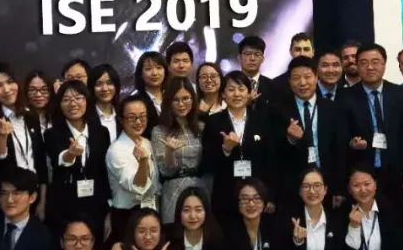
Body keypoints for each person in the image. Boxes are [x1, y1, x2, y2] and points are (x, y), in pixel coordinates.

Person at [342, 43, 403, 201]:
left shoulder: (401, 94)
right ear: (357, 66)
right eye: (364, 63)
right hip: (362, 173)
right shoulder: (345, 97)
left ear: (384, 64)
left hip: (397, 172)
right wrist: (352, 144)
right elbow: (340, 136)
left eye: (375, 62)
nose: (370, 67)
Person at [42, 80, 111, 242]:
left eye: (78, 98)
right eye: (66, 99)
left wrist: (108, 209)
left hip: (95, 204)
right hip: (64, 205)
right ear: (59, 104)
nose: (73, 104)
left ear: (87, 101)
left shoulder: (101, 133)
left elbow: (103, 173)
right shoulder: (51, 134)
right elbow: (59, 159)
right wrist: (70, 155)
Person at [200, 71, 275, 214]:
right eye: (231, 89)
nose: (237, 94)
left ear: (249, 93)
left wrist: (270, 196)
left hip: (257, 194)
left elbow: (270, 161)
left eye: (241, 89)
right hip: (225, 195)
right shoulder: (213, 122)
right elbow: (207, 164)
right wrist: (225, 150)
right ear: (223, 94)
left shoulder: (262, 120)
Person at [279, 56, 349, 207]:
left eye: (307, 76)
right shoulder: (278, 110)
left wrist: (339, 188)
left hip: (327, 182)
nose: (302, 82)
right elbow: (273, 154)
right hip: (293, 185)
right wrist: (290, 140)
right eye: (296, 78)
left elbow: (340, 151)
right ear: (289, 81)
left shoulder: (333, 109)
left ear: (316, 77)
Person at [105, 96, 160, 240]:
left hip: (150, 210)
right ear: (121, 120)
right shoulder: (116, 150)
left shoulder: (146, 142)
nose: (138, 122)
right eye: (131, 117)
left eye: (142, 116)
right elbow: (138, 186)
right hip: (127, 215)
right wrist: (143, 161)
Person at [152, 77, 205, 224]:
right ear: (168, 102)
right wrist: (170, 152)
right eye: (175, 100)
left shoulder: (201, 127)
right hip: (174, 190)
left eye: (186, 98)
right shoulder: (159, 131)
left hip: (200, 188)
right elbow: (165, 171)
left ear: (193, 99)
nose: (181, 104)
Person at [0, 64, 48, 180]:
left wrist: (43, 188)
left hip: (35, 186)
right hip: (10, 188)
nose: (6, 89)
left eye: (10, 82)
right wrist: (1, 138)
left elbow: (40, 157)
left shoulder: (31, 115)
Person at [237, 34, 286, 112]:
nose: (252, 58)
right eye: (247, 54)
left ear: (262, 59)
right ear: (239, 57)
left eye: (257, 54)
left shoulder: (273, 86)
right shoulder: (229, 84)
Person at [270, 32, 315, 97]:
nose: (302, 54)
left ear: (313, 52)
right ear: (290, 52)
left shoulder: (322, 82)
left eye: (306, 49)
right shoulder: (276, 84)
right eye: (297, 50)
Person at [132, 51, 167, 130]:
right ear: (141, 73)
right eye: (148, 69)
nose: (154, 73)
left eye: (159, 68)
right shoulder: (136, 101)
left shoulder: (172, 96)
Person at [89, 63, 121, 142]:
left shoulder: (122, 114)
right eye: (98, 84)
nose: (104, 89)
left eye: (109, 83)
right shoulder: (86, 116)